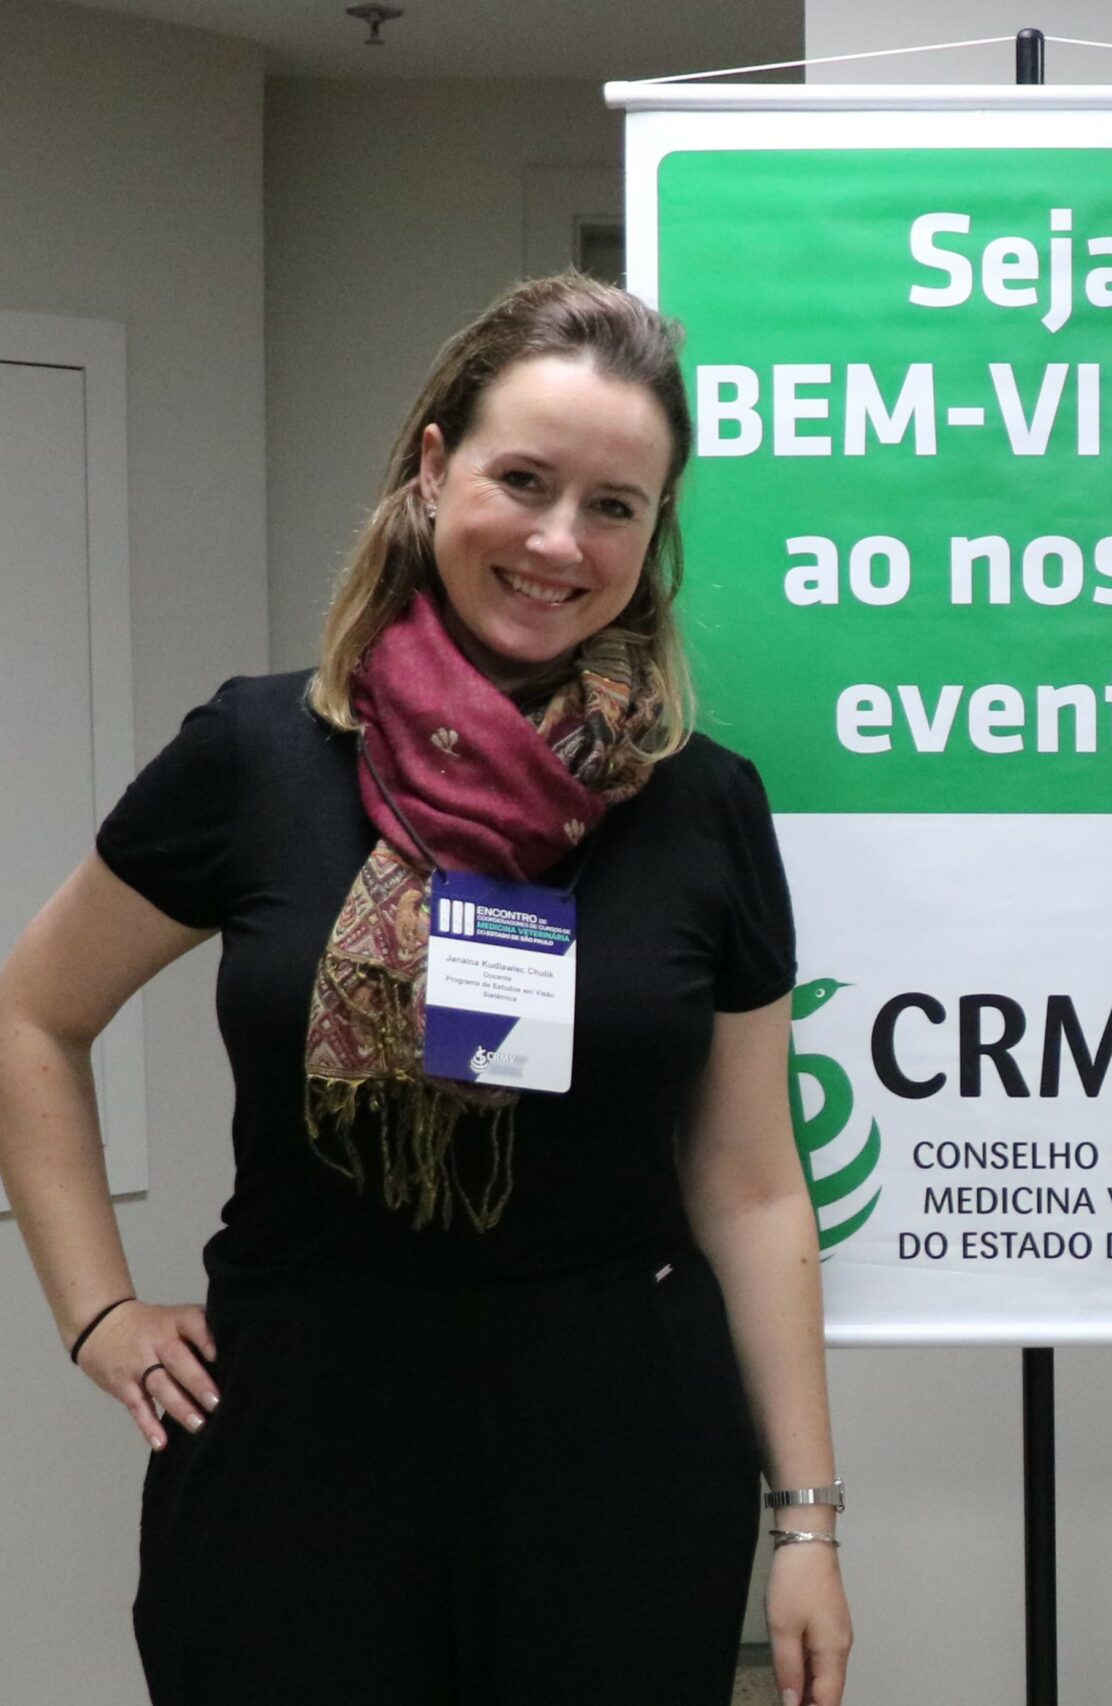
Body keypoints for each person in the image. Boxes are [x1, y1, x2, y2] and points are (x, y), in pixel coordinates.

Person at [0, 276, 852, 1706]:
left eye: (614, 507)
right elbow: (31, 1013)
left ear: (654, 538)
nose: (557, 541)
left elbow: (754, 1186)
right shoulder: (259, 753)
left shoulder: (704, 806)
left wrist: (810, 1518)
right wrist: (98, 1311)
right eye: (523, 480)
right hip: (299, 1446)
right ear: (432, 465)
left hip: (618, 1453)